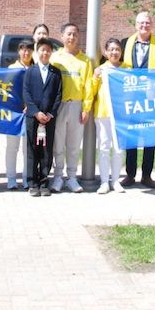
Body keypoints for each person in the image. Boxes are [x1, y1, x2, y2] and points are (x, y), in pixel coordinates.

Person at [120, 12, 155, 189]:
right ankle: (130, 174)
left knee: (150, 138)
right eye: (141, 23)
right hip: (130, 98)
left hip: (150, 99)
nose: (144, 26)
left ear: (152, 24)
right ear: (135, 25)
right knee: (131, 137)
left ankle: (147, 175)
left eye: (147, 23)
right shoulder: (125, 43)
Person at [50, 22, 94, 193]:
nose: (72, 37)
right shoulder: (55, 57)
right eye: (68, 34)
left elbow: (89, 85)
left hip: (77, 106)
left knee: (74, 145)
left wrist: (86, 108)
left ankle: (72, 177)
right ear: (62, 36)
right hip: (59, 105)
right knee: (58, 143)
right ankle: (58, 177)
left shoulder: (85, 61)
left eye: (75, 34)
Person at [23, 38, 62, 197]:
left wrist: (50, 113)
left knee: (46, 150)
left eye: (47, 50)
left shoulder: (56, 72)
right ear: (36, 52)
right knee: (32, 149)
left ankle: (44, 181)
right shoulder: (30, 71)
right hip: (33, 118)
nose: (45, 53)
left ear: (51, 52)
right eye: (42, 50)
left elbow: (59, 95)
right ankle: (32, 182)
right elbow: (26, 93)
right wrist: (36, 112)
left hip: (49, 119)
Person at [92, 38, 126, 194]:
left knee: (119, 149)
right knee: (104, 148)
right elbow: (92, 92)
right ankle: (104, 181)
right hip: (104, 114)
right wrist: (94, 78)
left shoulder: (127, 69)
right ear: (106, 52)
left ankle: (116, 180)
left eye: (117, 49)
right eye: (111, 49)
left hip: (121, 115)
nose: (114, 52)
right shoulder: (100, 70)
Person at [5, 39, 34, 190]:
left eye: (29, 50)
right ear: (19, 52)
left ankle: (26, 178)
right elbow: (8, 91)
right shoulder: (12, 68)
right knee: (12, 147)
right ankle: (11, 179)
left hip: (29, 113)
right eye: (23, 49)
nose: (26, 52)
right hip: (14, 113)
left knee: (27, 148)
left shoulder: (35, 69)